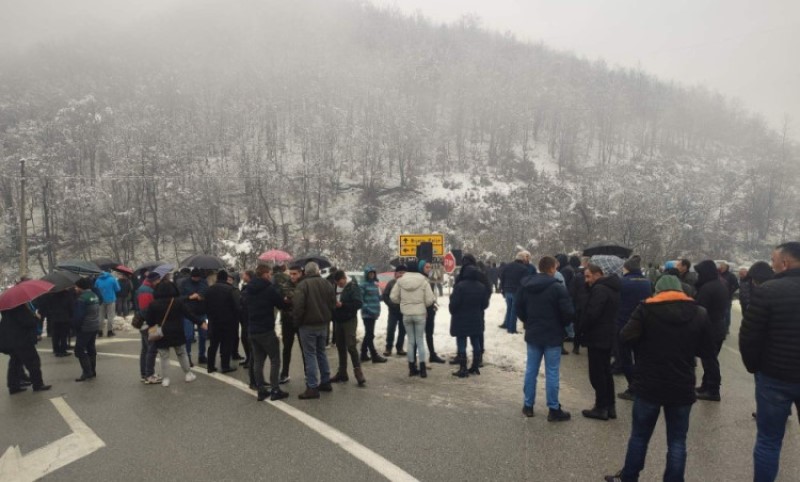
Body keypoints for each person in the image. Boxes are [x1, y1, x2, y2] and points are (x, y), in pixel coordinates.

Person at [604, 275, 714, 482]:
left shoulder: (646, 309)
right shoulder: (699, 313)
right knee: (677, 441)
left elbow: (625, 337)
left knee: (639, 436)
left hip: (649, 383)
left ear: (657, 291)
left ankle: (629, 477)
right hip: (682, 384)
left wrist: (643, 346)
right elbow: (707, 350)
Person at [739, 242, 800, 481]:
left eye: (773, 261)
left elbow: (749, 336)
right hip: (776, 375)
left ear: (784, 263)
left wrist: (755, 367)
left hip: (774, 377)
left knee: (768, 441)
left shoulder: (768, 290)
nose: (771, 265)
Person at [516, 256, 574, 421]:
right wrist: (562, 325)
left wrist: (528, 321)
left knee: (531, 370)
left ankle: (528, 405)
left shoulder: (526, 286)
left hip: (533, 332)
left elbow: (518, 308)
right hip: (553, 334)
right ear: (552, 268)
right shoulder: (558, 288)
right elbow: (568, 313)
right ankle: (553, 409)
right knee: (552, 372)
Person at [580, 263, 621, 421]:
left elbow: (592, 313)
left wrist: (582, 327)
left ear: (598, 274)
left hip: (597, 336)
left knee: (597, 373)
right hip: (608, 335)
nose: (586, 280)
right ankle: (610, 406)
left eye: (588, 276)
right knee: (606, 372)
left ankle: (601, 407)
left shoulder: (599, 290)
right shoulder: (612, 288)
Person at [146, 281, 203, 388]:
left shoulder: (153, 304)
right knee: (181, 353)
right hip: (177, 331)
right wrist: (200, 322)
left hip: (161, 333)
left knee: (164, 357)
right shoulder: (177, 302)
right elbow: (189, 314)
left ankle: (166, 379)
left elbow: (149, 320)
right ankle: (188, 374)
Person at [246, 264, 290, 401]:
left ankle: (261, 390)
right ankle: (275, 389)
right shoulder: (268, 289)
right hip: (266, 329)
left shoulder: (248, 288)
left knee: (258, 361)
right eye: (269, 274)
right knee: (275, 359)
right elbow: (281, 305)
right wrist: (287, 301)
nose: (270, 276)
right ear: (265, 274)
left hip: (252, 329)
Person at [293, 262, 335, 399]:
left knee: (310, 355)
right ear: (317, 271)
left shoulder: (303, 285)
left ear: (305, 272)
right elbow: (332, 303)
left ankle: (312, 386)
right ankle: (326, 381)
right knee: (321, 352)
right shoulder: (327, 283)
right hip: (323, 324)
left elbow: (298, 306)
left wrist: (296, 322)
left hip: (308, 325)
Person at [615, 256, 653, 400]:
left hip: (624, 323)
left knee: (625, 358)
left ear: (627, 268)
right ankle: (641, 385)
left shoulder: (622, 282)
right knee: (639, 358)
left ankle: (633, 387)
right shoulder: (647, 282)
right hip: (643, 324)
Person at [693, 259, 730, 402]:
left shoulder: (707, 288)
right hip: (719, 327)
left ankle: (713, 390)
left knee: (709, 361)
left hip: (710, 329)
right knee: (710, 359)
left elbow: (700, 309)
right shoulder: (721, 284)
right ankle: (705, 386)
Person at [391, 263, 436, 378]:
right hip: (420, 314)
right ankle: (423, 369)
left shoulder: (400, 281)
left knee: (411, 341)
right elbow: (430, 299)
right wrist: (423, 305)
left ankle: (411, 368)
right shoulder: (424, 281)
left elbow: (393, 297)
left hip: (406, 315)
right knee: (420, 341)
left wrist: (403, 303)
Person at [0, 302, 52, 394]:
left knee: (15, 363)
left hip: (11, 340)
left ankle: (13, 386)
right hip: (22, 340)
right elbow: (28, 322)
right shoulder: (20, 308)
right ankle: (38, 384)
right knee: (33, 361)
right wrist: (36, 317)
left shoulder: (7, 309)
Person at [449, 264, 490, 378]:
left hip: (461, 319)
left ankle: (463, 368)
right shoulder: (481, 287)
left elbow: (454, 304)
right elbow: (485, 304)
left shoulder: (460, 286)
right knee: (475, 341)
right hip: (476, 318)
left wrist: (453, 310)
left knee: (461, 341)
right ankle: (475, 366)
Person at [331, 270, 365, 385]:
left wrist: (343, 305)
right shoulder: (334, 287)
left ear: (344, 278)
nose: (339, 285)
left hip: (349, 319)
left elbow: (358, 303)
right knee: (340, 346)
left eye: (340, 282)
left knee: (351, 346)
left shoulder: (353, 287)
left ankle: (358, 372)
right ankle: (342, 373)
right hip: (338, 320)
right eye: (337, 283)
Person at [204, 270, 241, 374]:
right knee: (226, 344)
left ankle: (210, 366)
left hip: (213, 321)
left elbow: (205, 305)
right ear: (226, 278)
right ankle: (225, 366)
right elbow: (236, 306)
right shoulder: (231, 289)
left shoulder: (209, 289)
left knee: (213, 344)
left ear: (217, 278)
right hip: (228, 321)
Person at [72, 278, 101, 382]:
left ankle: (87, 372)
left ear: (81, 287)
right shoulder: (94, 295)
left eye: (76, 287)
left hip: (85, 327)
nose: (75, 289)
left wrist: (75, 327)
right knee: (91, 348)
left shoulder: (82, 299)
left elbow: (79, 316)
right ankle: (92, 370)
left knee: (79, 350)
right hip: (94, 325)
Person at [418, 260, 446, 364]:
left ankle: (432, 354)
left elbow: (431, 294)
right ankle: (419, 358)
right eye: (426, 267)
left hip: (430, 308)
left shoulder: (430, 278)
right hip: (422, 310)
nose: (429, 269)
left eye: (430, 267)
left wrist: (433, 303)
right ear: (421, 268)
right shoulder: (419, 279)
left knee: (429, 333)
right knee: (419, 334)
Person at [179, 268, 209, 365]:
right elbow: (179, 298)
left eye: (198, 277)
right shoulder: (184, 283)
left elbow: (208, 294)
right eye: (194, 277)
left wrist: (202, 297)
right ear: (191, 276)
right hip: (188, 313)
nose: (196, 279)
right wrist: (190, 297)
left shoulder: (204, 282)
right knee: (188, 336)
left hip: (202, 312)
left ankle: (202, 355)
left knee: (203, 335)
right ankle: (187, 357)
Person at [137, 272, 162, 384]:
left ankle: (145, 374)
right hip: (149, 324)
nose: (159, 282)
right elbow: (145, 310)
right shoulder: (146, 291)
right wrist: (153, 322)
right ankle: (149, 375)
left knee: (146, 349)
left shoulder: (145, 288)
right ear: (153, 280)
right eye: (158, 280)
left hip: (145, 323)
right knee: (152, 349)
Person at [359, 266, 387, 363]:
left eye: (373, 273)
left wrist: (384, 296)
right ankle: (374, 355)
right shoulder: (363, 285)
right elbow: (360, 300)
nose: (371, 275)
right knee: (370, 334)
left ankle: (363, 353)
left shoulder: (375, 284)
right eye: (370, 273)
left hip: (374, 313)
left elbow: (377, 297)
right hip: (367, 314)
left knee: (369, 334)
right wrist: (368, 309)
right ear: (366, 274)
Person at [38, 287, 74, 357]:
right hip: (65, 318)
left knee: (55, 335)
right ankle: (63, 350)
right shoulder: (67, 295)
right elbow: (71, 307)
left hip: (54, 318)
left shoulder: (51, 295)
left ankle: (56, 349)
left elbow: (48, 306)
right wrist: (71, 316)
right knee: (63, 335)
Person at [500, 251, 530, 333]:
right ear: (523, 259)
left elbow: (502, 277)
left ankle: (507, 324)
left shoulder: (507, 266)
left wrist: (502, 289)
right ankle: (511, 329)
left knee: (509, 308)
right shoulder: (524, 269)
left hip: (507, 290)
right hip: (517, 291)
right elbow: (525, 282)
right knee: (514, 310)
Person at [382, 266, 407, 356]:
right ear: (395, 274)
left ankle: (399, 348)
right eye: (400, 272)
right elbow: (385, 296)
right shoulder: (391, 283)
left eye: (403, 272)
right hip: (393, 311)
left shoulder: (407, 283)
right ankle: (388, 348)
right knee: (391, 329)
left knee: (402, 330)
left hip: (404, 311)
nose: (401, 274)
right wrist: (391, 304)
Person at [94, 270, 120, 337]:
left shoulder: (98, 280)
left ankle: (100, 331)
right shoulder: (112, 279)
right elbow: (118, 289)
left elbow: (95, 289)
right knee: (110, 316)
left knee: (100, 316)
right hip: (111, 299)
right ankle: (110, 331)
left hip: (100, 300)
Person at [718, 261, 739, 335]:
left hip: (727, 297)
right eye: (721, 266)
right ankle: (720, 327)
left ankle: (726, 328)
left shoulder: (731, 276)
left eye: (723, 266)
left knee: (726, 313)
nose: (721, 268)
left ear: (727, 267)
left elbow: (736, 285)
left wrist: (730, 292)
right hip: (718, 297)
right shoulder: (717, 274)